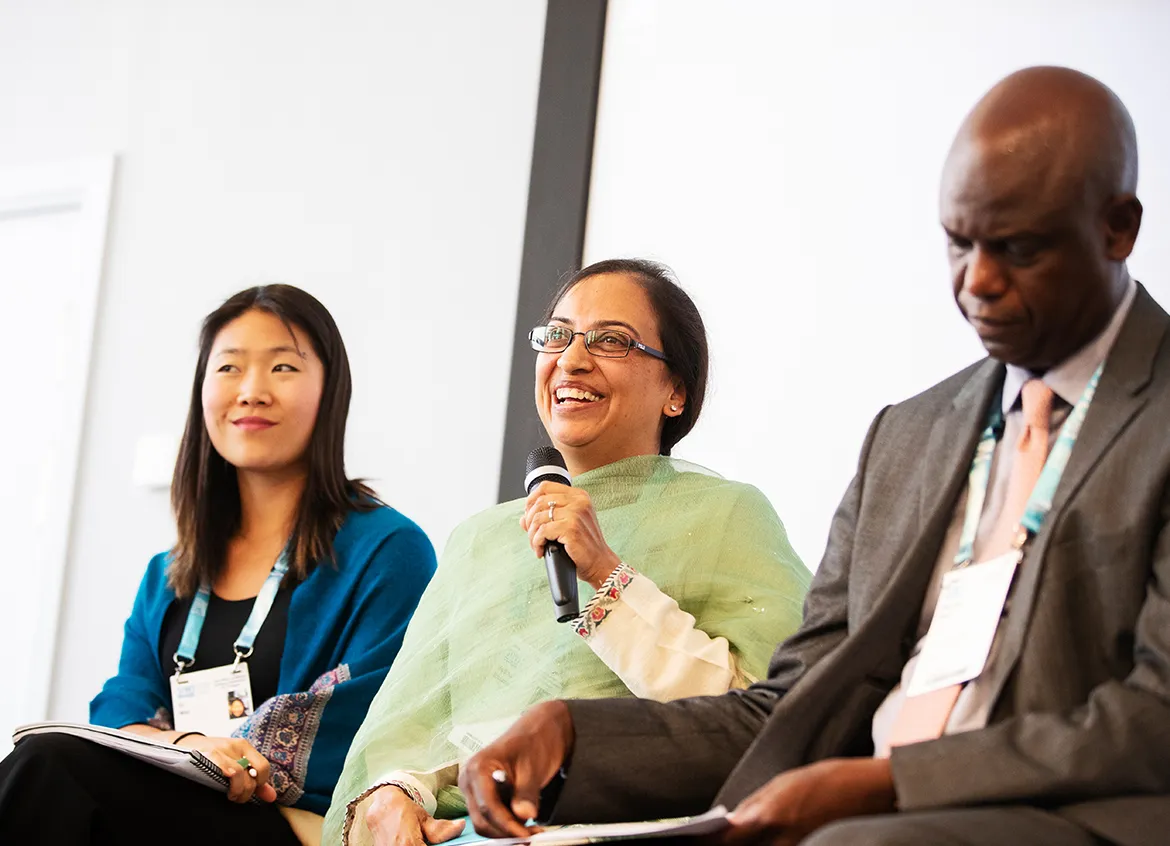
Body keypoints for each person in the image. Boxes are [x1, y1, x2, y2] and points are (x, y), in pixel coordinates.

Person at [460, 67, 1169, 846]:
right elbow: (788, 709)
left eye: (1018, 249)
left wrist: (892, 785)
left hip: (1074, 819)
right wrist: (572, 736)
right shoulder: (909, 437)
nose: (979, 283)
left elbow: (1153, 715)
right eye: (958, 245)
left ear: (1118, 228)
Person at [324, 259, 812, 846]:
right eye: (556, 335)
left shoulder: (728, 515)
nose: (572, 359)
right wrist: (395, 792)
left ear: (676, 392)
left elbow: (760, 724)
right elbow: (415, 727)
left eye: (611, 340)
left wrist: (606, 574)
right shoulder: (480, 539)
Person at [0, 285, 437, 845]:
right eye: (229, 368)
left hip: (295, 828)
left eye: (282, 367)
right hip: (171, 810)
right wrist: (188, 748)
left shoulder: (387, 548)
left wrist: (216, 754)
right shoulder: (170, 573)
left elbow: (374, 723)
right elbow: (122, 706)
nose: (252, 392)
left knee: (49, 766)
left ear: (331, 391)